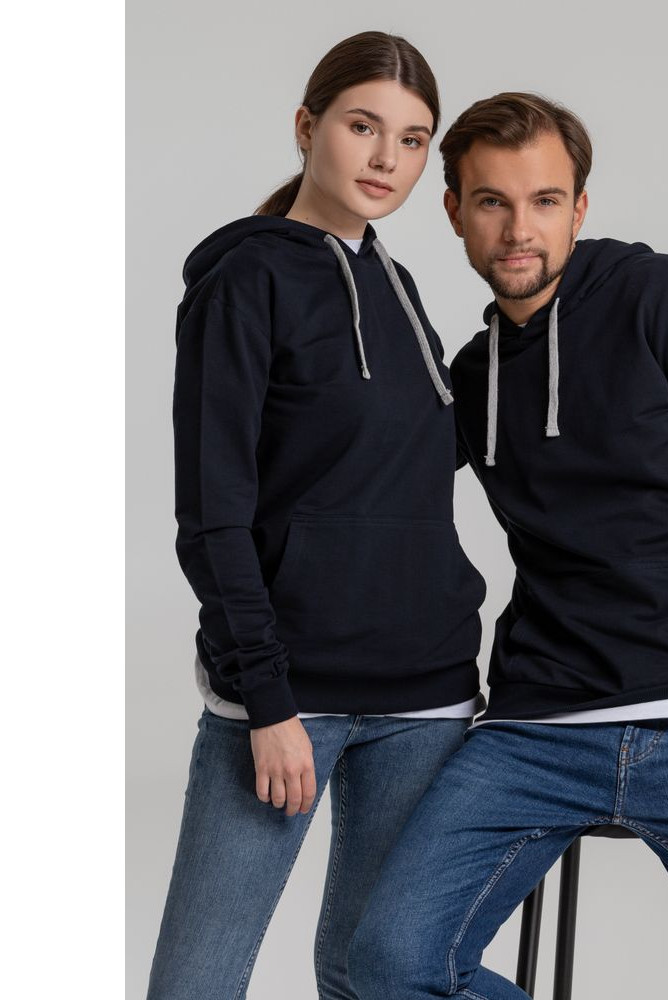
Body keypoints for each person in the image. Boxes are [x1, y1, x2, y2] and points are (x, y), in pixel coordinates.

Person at [349, 93, 668, 999]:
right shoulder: (473, 378)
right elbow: (368, 493)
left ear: (579, 209)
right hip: (536, 733)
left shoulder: (662, 300)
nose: (520, 230)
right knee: (389, 966)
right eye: (493, 202)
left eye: (545, 201)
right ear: (454, 212)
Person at [146, 32, 486, 1000]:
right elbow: (212, 513)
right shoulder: (245, 280)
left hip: (426, 697)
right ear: (307, 127)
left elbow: (401, 471)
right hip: (288, 695)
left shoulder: (398, 286)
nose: (387, 159)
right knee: (199, 982)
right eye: (363, 126)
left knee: (372, 976)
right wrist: (267, 700)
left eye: (413, 140)